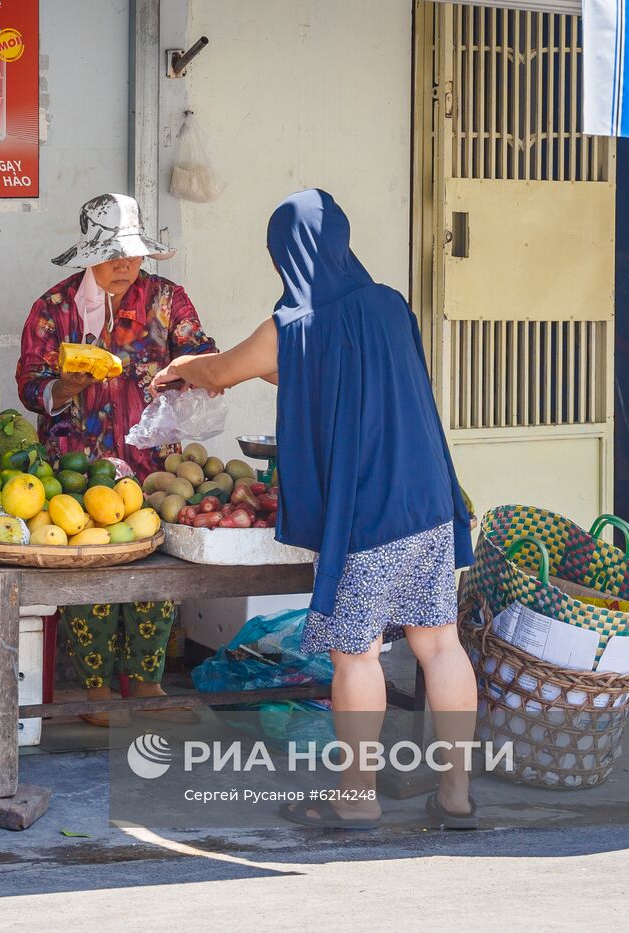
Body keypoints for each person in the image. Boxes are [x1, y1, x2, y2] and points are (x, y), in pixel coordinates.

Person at [151, 189, 479, 829]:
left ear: (283, 256)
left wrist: (184, 367)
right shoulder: (389, 305)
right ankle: (457, 796)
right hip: (429, 499)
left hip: (368, 515)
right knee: (440, 644)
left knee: (356, 654)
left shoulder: (290, 326)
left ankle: (357, 799)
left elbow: (221, 373)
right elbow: (338, 370)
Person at [17, 193, 217, 726]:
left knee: (154, 570)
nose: (124, 265)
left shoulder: (166, 301)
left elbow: (199, 349)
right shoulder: (54, 309)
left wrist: (191, 371)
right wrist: (64, 384)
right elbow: (30, 385)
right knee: (93, 567)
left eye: (131, 254)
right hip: (78, 463)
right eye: (111, 255)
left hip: (154, 462)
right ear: (88, 255)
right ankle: (95, 687)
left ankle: (148, 681)